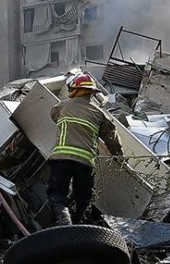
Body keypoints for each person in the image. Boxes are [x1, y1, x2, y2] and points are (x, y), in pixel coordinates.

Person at [47, 73, 124, 226]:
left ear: (74, 90)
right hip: (85, 164)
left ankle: (63, 220)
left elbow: (53, 115)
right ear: (92, 92)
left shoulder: (62, 106)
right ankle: (81, 228)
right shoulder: (99, 114)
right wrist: (119, 157)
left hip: (61, 160)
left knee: (57, 194)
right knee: (83, 199)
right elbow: (112, 137)